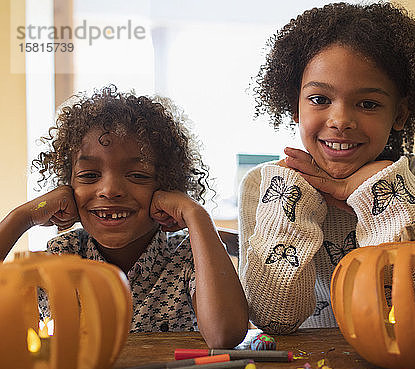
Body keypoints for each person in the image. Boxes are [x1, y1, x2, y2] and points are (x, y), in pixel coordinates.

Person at [238, 2, 415, 334]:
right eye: (319, 99)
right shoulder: (262, 184)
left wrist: (377, 194)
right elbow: (273, 318)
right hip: (298, 366)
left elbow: (410, 310)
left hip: (393, 361)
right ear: (294, 106)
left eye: (368, 104)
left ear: (399, 114)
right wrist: (294, 201)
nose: (340, 120)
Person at [0, 86, 248, 348]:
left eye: (138, 175)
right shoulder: (62, 256)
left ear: (166, 188)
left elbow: (224, 335)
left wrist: (195, 214)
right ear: (68, 189)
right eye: (89, 176)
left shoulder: (186, 257)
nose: (110, 190)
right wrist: (23, 217)